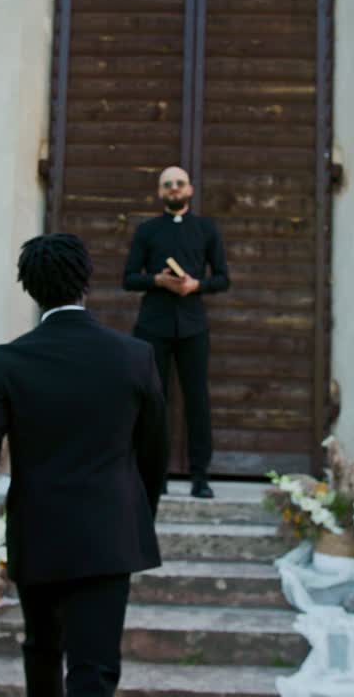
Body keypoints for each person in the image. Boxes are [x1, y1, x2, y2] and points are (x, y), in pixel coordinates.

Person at [0, 233, 168, 696]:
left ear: (31, 289)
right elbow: (155, 455)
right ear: (86, 281)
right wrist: (135, 520)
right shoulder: (135, 357)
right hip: (108, 536)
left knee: (41, 655)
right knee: (94, 673)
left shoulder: (5, 363)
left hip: (39, 537)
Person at [122, 166, 231, 499]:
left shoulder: (206, 228)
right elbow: (129, 278)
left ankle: (200, 476)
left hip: (193, 325)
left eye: (179, 184)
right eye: (167, 185)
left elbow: (223, 278)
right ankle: (157, 474)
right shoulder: (147, 230)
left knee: (197, 399)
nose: (173, 189)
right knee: (155, 401)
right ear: (159, 192)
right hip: (153, 325)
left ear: (190, 190)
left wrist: (196, 285)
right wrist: (157, 280)